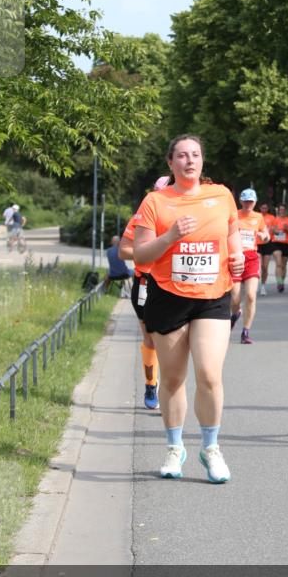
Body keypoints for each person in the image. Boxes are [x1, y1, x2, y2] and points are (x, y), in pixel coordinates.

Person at [133, 135, 244, 483]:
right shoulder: (155, 202)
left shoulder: (222, 195)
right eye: (181, 156)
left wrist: (237, 257)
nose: (189, 161)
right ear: (171, 163)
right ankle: (174, 447)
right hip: (168, 296)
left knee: (209, 374)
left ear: (202, 160)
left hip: (213, 295)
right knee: (174, 378)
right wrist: (170, 237)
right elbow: (140, 255)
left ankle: (211, 448)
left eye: (195, 154)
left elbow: (232, 234)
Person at [119, 176, 170, 411]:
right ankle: (151, 384)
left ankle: (171, 391)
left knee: (173, 341)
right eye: (158, 192)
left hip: (173, 284)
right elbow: (123, 251)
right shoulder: (141, 217)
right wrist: (150, 251)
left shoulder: (182, 218)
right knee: (151, 338)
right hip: (145, 283)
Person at [230, 188, 269, 343]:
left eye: (251, 202)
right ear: (241, 201)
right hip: (236, 258)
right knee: (235, 299)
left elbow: (266, 235)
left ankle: (245, 332)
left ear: (255, 202)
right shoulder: (234, 216)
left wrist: (264, 236)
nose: (248, 204)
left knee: (251, 296)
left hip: (252, 258)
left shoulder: (258, 217)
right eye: (245, 201)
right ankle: (235, 314)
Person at [270, 203, 288, 292]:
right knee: (279, 264)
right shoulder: (275, 220)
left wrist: (287, 228)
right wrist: (274, 230)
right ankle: (279, 282)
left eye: (283, 210)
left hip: (286, 244)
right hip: (276, 243)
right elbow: (270, 230)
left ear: (286, 211)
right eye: (280, 210)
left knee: (283, 265)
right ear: (278, 211)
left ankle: (282, 282)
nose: (282, 211)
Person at [257, 202, 276, 296]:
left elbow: (275, 229)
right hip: (258, 243)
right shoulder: (256, 216)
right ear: (260, 208)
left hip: (268, 243)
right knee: (258, 266)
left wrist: (273, 230)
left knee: (265, 267)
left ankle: (263, 286)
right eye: (262, 208)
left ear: (267, 209)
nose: (264, 209)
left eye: (265, 208)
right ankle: (254, 284)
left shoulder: (271, 217)